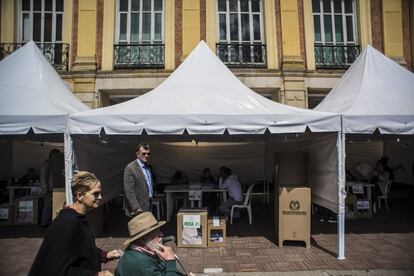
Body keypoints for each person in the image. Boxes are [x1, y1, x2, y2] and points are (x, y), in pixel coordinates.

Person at [29, 171, 121, 276]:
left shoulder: (79, 218)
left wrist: (105, 255)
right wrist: (97, 275)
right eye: (95, 194)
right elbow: (60, 270)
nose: (100, 197)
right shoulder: (68, 223)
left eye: (100, 193)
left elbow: (83, 249)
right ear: (79, 196)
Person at [115, 212, 194, 276]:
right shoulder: (142, 264)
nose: (161, 234)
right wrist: (170, 261)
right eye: (156, 231)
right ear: (142, 238)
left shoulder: (133, 251)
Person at [124, 143, 154, 217]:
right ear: (137, 154)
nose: (146, 156)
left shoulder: (147, 167)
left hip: (148, 204)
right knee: (139, 228)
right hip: (138, 209)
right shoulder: (130, 168)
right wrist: (136, 207)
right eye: (143, 153)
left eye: (148, 153)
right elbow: (128, 190)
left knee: (147, 227)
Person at [39, 149, 61, 226]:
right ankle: (44, 222)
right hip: (49, 189)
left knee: (51, 205)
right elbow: (43, 177)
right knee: (47, 206)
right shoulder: (47, 164)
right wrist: (45, 189)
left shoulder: (52, 163)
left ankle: (47, 221)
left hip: (53, 188)